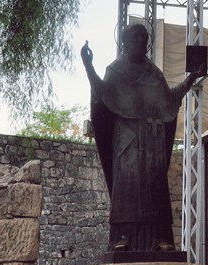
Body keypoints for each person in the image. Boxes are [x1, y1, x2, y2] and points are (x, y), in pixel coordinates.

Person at [81, 24, 199, 252]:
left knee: (156, 186)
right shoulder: (115, 71)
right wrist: (89, 67)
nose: (141, 42)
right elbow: (103, 94)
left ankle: (159, 238)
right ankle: (122, 237)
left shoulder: (155, 74)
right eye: (136, 38)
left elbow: (169, 100)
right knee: (127, 186)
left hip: (152, 139)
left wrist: (192, 77)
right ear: (125, 42)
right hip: (127, 141)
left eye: (144, 38)